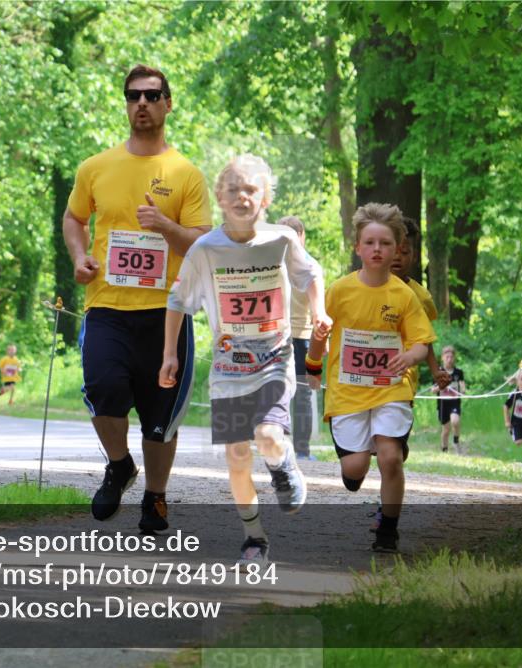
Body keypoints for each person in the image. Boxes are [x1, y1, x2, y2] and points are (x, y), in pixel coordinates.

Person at [63, 64, 212, 534]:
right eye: (134, 96)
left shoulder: (185, 173)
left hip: (166, 314)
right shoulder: (96, 167)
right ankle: (120, 465)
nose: (142, 104)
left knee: (157, 417)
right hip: (106, 306)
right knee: (103, 392)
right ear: (126, 104)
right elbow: (73, 220)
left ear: (168, 103)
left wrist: (165, 227)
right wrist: (80, 256)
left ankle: (155, 497)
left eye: (152, 96)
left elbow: (202, 244)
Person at [160, 154, 328, 563]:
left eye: (250, 189)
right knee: (237, 457)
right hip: (228, 368)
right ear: (220, 197)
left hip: (273, 359)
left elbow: (312, 274)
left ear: (266, 197)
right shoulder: (205, 249)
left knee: (268, 437)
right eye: (233, 189)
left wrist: (320, 311)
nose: (241, 196)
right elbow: (178, 301)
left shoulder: (281, 241)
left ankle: (284, 461)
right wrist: (169, 355)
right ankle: (254, 537)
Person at [307, 203, 436, 553]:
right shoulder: (340, 290)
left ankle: (388, 530)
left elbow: (421, 342)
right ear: (358, 247)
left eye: (385, 243)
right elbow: (320, 332)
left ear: (397, 248)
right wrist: (313, 364)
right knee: (355, 467)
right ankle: (357, 468)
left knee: (391, 457)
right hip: (348, 392)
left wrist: (410, 355)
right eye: (370, 242)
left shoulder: (405, 295)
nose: (377, 249)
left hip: (391, 388)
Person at [275, 215, 324, 460]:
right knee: (299, 395)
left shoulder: (273, 264)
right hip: (297, 336)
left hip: (288, 336)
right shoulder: (310, 266)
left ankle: (290, 448)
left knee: (287, 392)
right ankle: (299, 450)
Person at [390, 218, 451, 391]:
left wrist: (435, 370)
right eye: (393, 250)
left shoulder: (421, 296)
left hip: (402, 379)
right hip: (365, 378)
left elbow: (424, 337)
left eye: (404, 252)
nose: (397, 257)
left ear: (414, 257)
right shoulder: (367, 288)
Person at [436, 345, 466, 452]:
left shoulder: (458, 372)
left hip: (454, 402)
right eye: (447, 357)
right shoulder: (438, 371)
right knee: (446, 430)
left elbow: (462, 385)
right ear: (442, 358)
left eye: (451, 357)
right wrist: (441, 386)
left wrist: (462, 391)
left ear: (454, 358)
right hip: (443, 404)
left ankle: (456, 440)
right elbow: (433, 388)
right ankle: (444, 449)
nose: (449, 359)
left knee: (455, 421)